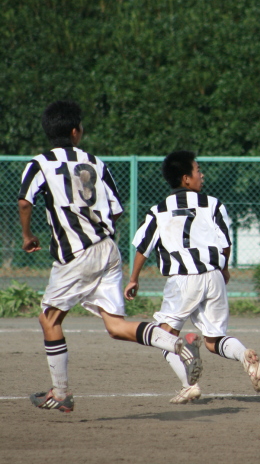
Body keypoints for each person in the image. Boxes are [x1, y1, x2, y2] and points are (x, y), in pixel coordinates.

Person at [18, 101, 201, 413]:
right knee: (116, 326)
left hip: (76, 254)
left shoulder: (40, 163)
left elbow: (25, 202)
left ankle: (60, 393)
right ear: (75, 132)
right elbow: (115, 209)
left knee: (48, 318)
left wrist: (27, 235)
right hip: (107, 249)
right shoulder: (95, 162)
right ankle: (177, 344)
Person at [124, 150, 260, 404]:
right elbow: (225, 243)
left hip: (183, 279)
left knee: (164, 336)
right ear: (186, 178)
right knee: (213, 340)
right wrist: (223, 269)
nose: (202, 175)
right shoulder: (213, 204)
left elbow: (143, 247)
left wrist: (134, 278)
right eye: (198, 170)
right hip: (213, 275)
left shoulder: (159, 210)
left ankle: (189, 385)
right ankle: (243, 354)